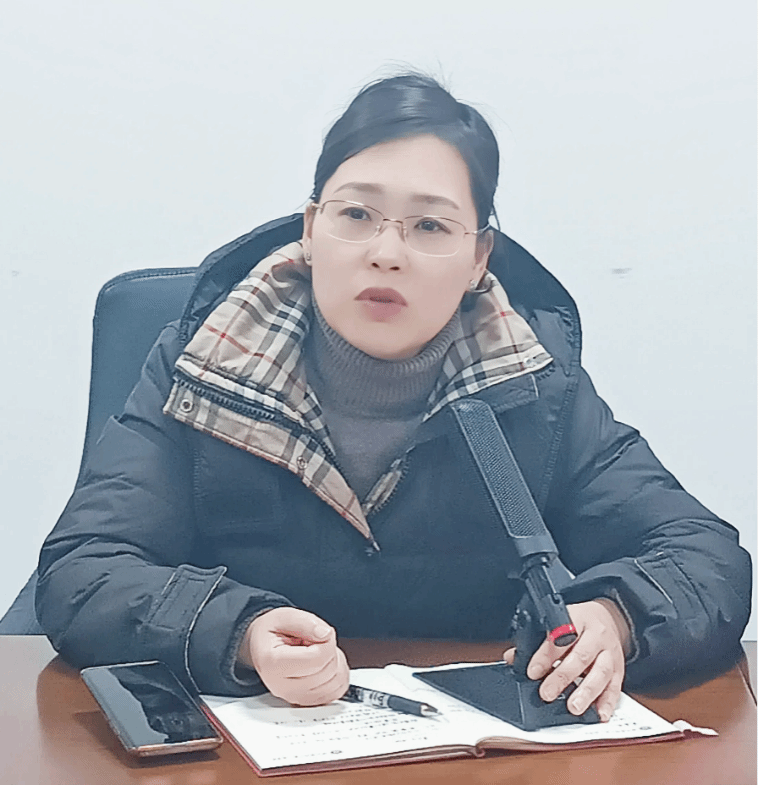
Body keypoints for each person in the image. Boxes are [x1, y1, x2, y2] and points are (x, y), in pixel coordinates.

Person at [35, 73, 751, 723]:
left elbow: (705, 555)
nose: (386, 252)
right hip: (244, 745)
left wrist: (619, 617)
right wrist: (241, 633)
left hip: (472, 751)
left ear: (478, 258)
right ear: (311, 229)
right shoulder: (204, 366)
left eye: (431, 226)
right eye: (356, 216)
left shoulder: (533, 387)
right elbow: (84, 568)